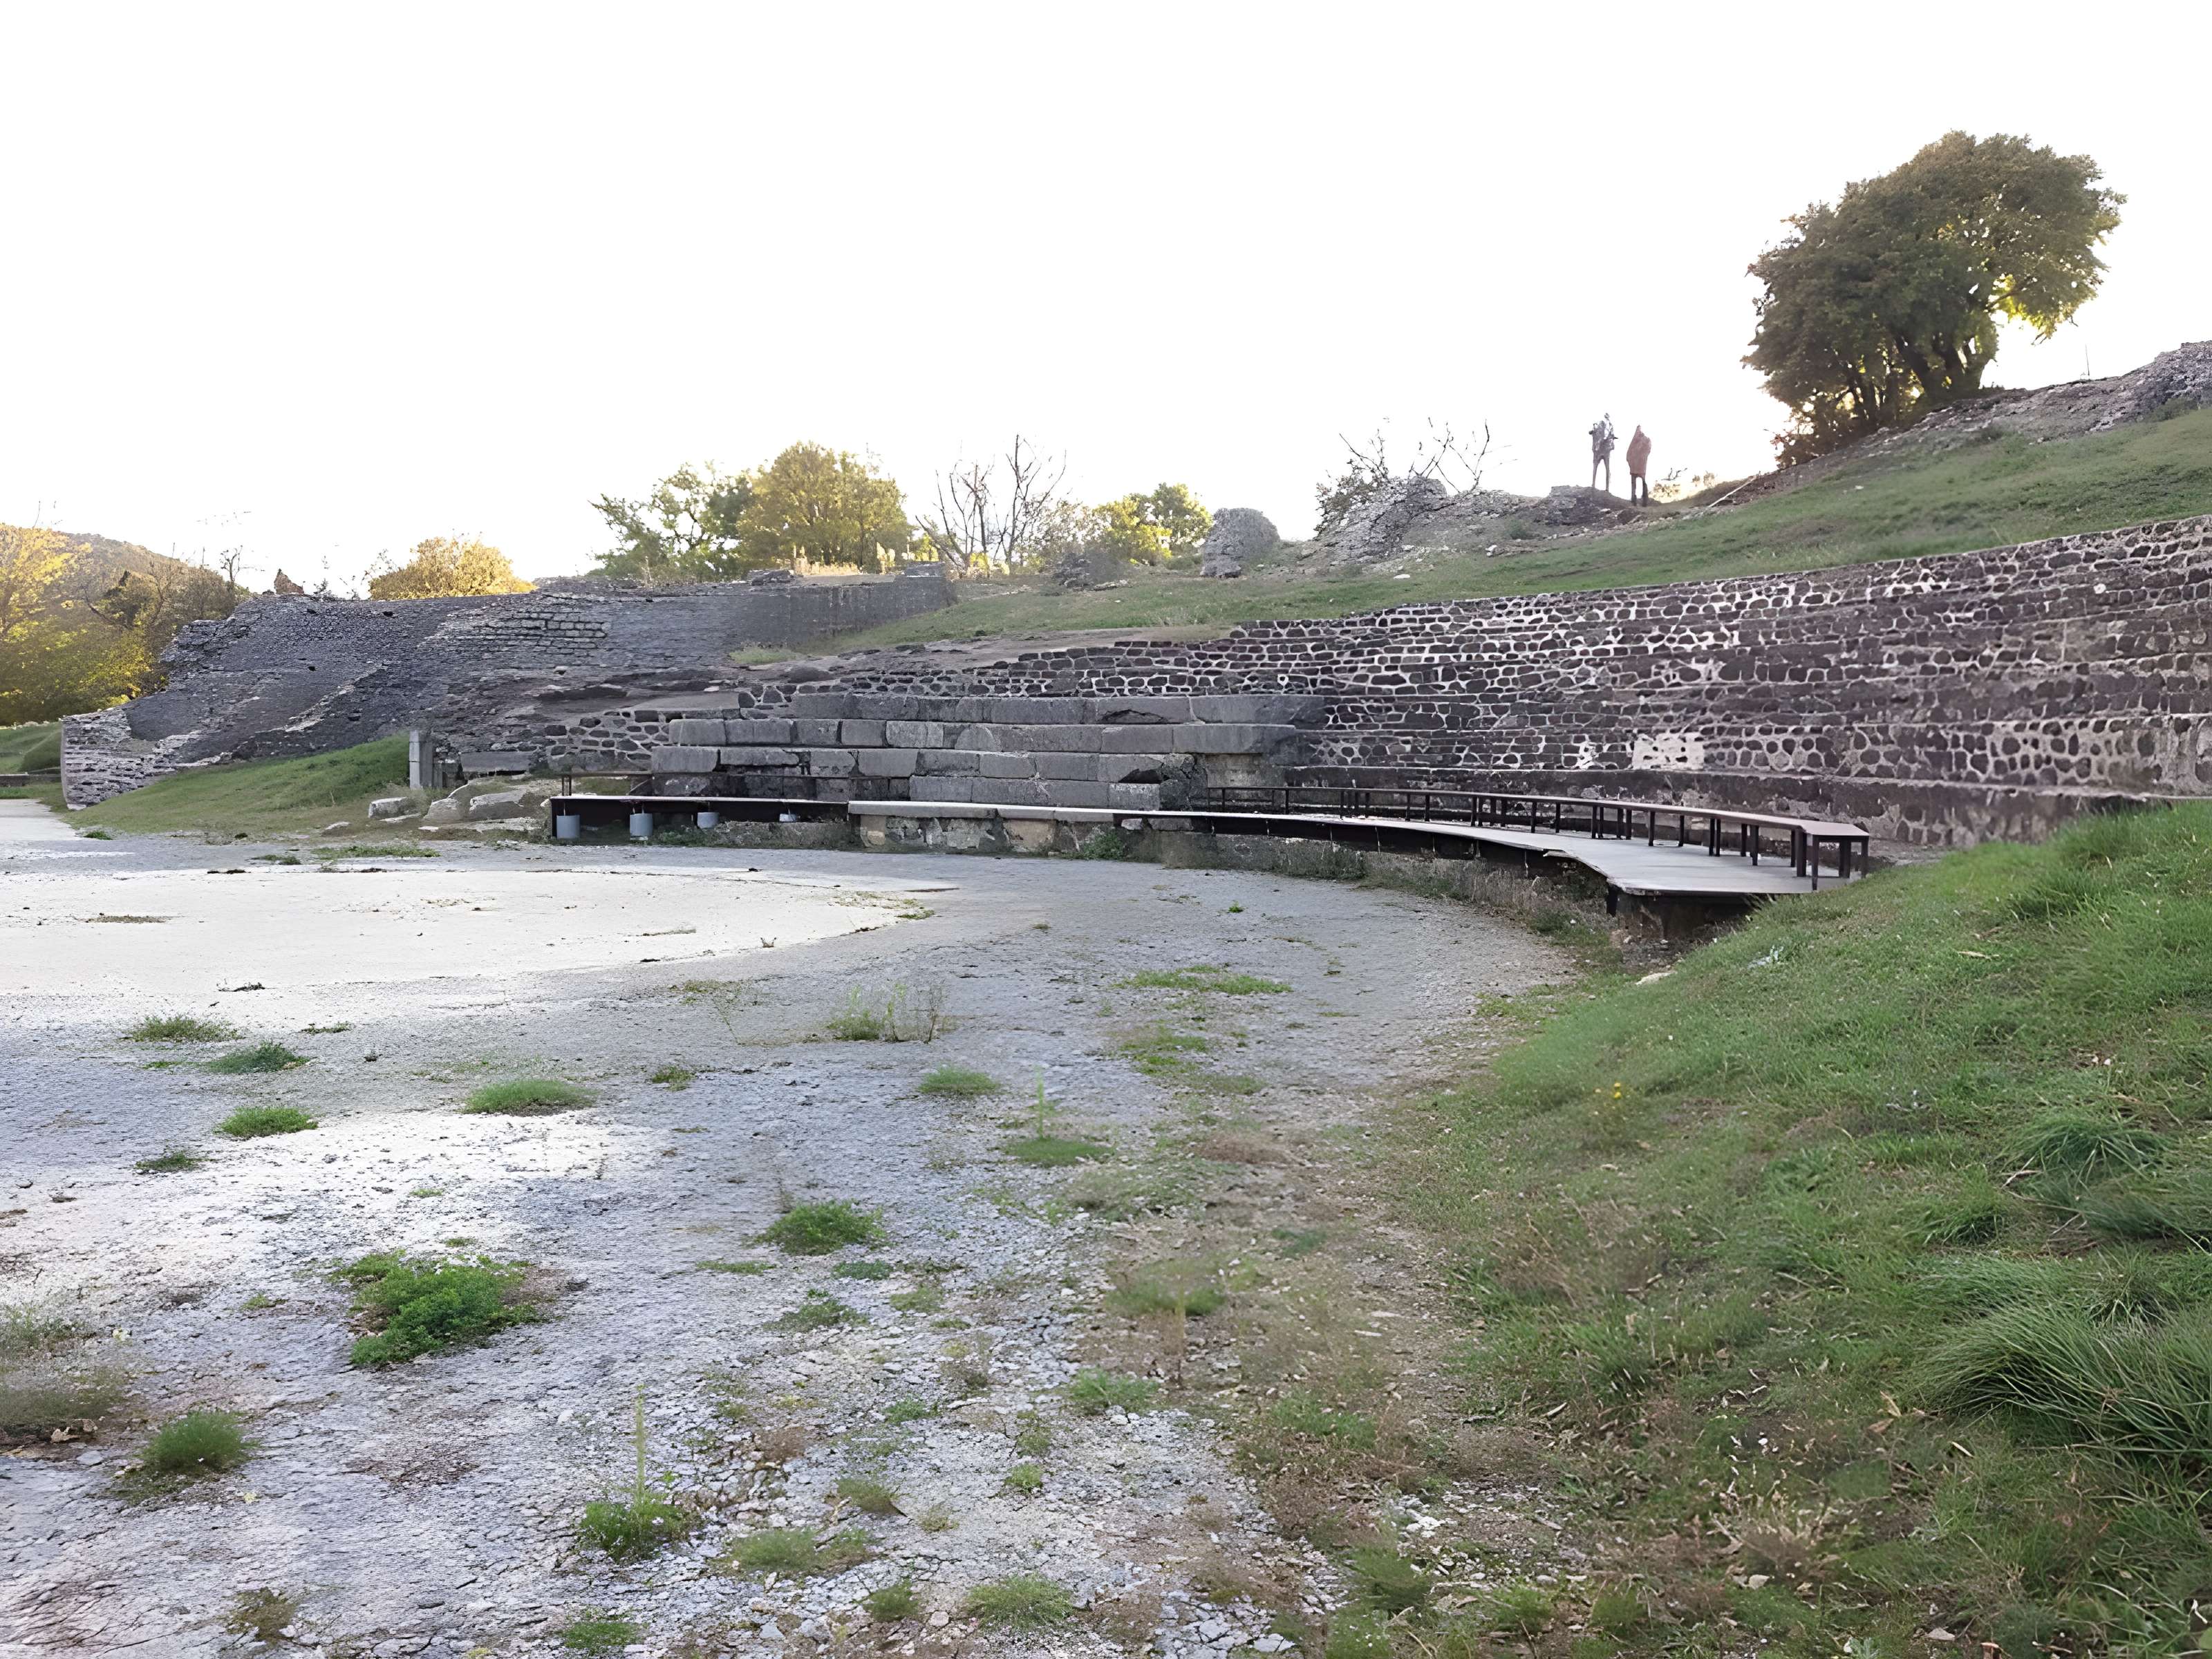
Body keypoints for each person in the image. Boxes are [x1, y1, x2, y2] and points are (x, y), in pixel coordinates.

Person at [1588, 415, 1616, 491]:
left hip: (1606, 449)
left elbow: (1612, 435)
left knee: (1607, 468)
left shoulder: (1610, 426)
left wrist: (1610, 438)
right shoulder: (1599, 424)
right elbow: (1593, 433)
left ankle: (1607, 488)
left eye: (1607, 417)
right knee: (1596, 466)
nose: (1606, 418)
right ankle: (1593, 484)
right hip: (1598, 450)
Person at [1626, 425, 1652, 504]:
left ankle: (1644, 499)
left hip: (1640, 465)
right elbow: (1629, 453)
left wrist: (1642, 457)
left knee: (1641, 481)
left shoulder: (1646, 440)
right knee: (1635, 482)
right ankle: (1634, 498)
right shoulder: (1635, 441)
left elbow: (1647, 450)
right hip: (1636, 466)